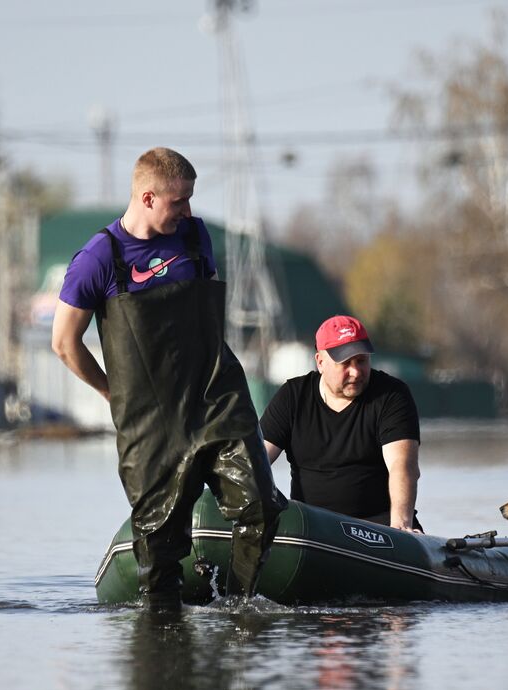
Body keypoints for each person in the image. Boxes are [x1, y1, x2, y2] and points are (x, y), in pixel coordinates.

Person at [51, 147, 285, 609]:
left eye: (190, 200)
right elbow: (64, 342)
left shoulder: (196, 238)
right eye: (179, 202)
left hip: (217, 398)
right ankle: (161, 635)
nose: (188, 211)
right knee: (159, 546)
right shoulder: (100, 257)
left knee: (260, 506)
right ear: (148, 197)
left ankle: (238, 608)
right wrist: (109, 390)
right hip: (150, 420)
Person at [260, 315, 422, 531]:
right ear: (320, 362)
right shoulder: (292, 396)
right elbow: (255, 461)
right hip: (311, 527)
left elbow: (402, 466)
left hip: (378, 527)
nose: (355, 372)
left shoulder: (392, 395)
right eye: (345, 363)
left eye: (361, 361)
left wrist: (401, 525)